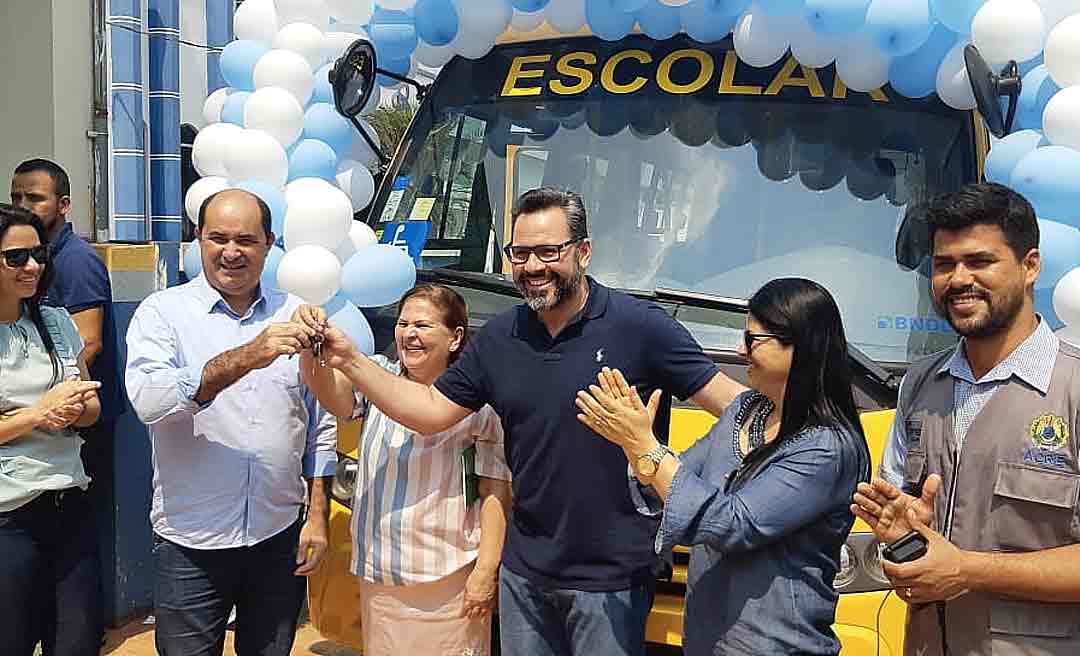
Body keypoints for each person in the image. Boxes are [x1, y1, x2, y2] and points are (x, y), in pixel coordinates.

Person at [296, 187, 745, 656]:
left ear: (583, 252)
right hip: (524, 575)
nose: (532, 268)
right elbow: (428, 412)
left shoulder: (640, 327)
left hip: (611, 581)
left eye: (548, 252)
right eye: (520, 253)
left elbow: (736, 407)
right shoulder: (502, 338)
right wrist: (347, 360)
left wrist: (682, 470)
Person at [576, 278, 871, 655]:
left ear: (801, 346)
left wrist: (646, 447)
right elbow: (675, 480)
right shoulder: (744, 411)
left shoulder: (828, 448)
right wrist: (638, 451)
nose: (740, 350)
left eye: (753, 340)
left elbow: (733, 524)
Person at [851, 182, 1080, 656]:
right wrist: (901, 540)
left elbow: (957, 565)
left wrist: (968, 569)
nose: (958, 279)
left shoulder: (1072, 391)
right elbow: (911, 533)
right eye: (943, 265)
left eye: (979, 262)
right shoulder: (920, 385)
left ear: (1030, 266)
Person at [124, 189, 337, 656]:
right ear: (197, 239)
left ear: (269, 243)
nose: (231, 251)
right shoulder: (162, 314)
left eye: (246, 239)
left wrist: (317, 514)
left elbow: (320, 422)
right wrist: (246, 357)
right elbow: (148, 401)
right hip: (191, 541)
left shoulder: (295, 314)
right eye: (218, 237)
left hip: (278, 535)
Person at [300, 283, 511, 655]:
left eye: (423, 326)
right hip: (381, 573)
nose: (409, 334)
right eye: (403, 324)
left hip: (447, 577)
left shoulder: (480, 400)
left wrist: (486, 571)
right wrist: (311, 351)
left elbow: (495, 492)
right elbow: (334, 398)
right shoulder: (378, 374)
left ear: (455, 336)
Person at [12, 157, 122, 644]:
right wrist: (38, 412)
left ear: (62, 204)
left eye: (34, 198)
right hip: (12, 504)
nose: (32, 266)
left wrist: (61, 409)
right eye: (17, 197)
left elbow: (88, 348)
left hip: (70, 462)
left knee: (72, 624)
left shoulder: (73, 264)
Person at [0, 204, 104, 655]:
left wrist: (73, 411)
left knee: (77, 643)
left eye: (39, 254)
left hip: (68, 502)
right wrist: (40, 414)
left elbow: (92, 405)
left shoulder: (57, 320)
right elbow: (46, 408)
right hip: (8, 517)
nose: (33, 266)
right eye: (16, 257)